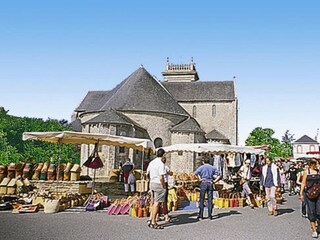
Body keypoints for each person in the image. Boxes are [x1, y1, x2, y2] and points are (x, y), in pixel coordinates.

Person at [146, 148, 166, 229]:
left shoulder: (152, 162)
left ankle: (151, 219)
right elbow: (161, 177)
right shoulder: (161, 164)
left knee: (154, 202)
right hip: (158, 184)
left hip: (152, 183)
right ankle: (153, 222)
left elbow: (147, 173)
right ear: (163, 155)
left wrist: (150, 180)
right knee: (157, 203)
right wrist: (163, 185)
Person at [300, 159, 320, 238]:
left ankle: (317, 225)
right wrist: (301, 193)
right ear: (312, 164)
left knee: (319, 212)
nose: (317, 165)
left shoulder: (318, 171)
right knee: (311, 212)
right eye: (316, 163)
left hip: (319, 194)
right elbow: (303, 183)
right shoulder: (306, 172)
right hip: (309, 194)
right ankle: (314, 230)